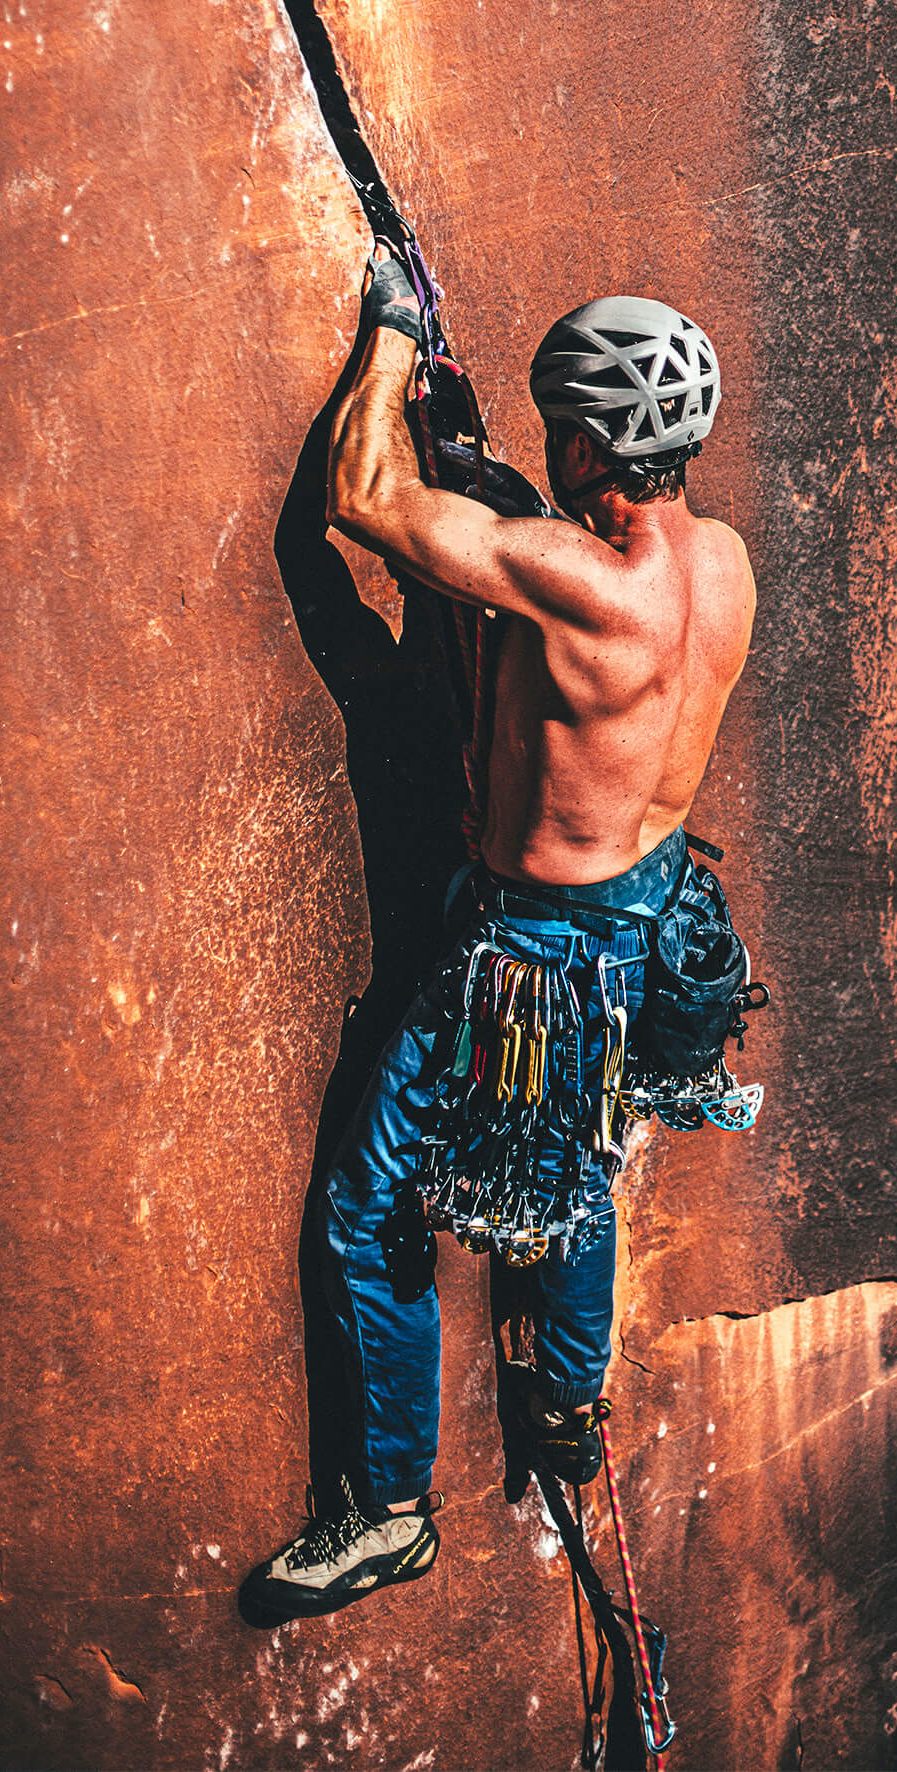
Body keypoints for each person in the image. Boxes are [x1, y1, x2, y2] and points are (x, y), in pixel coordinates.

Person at [244, 248, 756, 1624]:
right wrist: (502, 498)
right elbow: (562, 593)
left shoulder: (567, 578)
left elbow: (361, 502)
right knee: (577, 1165)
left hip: (530, 951)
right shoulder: (721, 566)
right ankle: (567, 1401)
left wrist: (391, 336)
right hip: (652, 921)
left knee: (367, 1211)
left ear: (586, 444)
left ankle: (385, 1511)